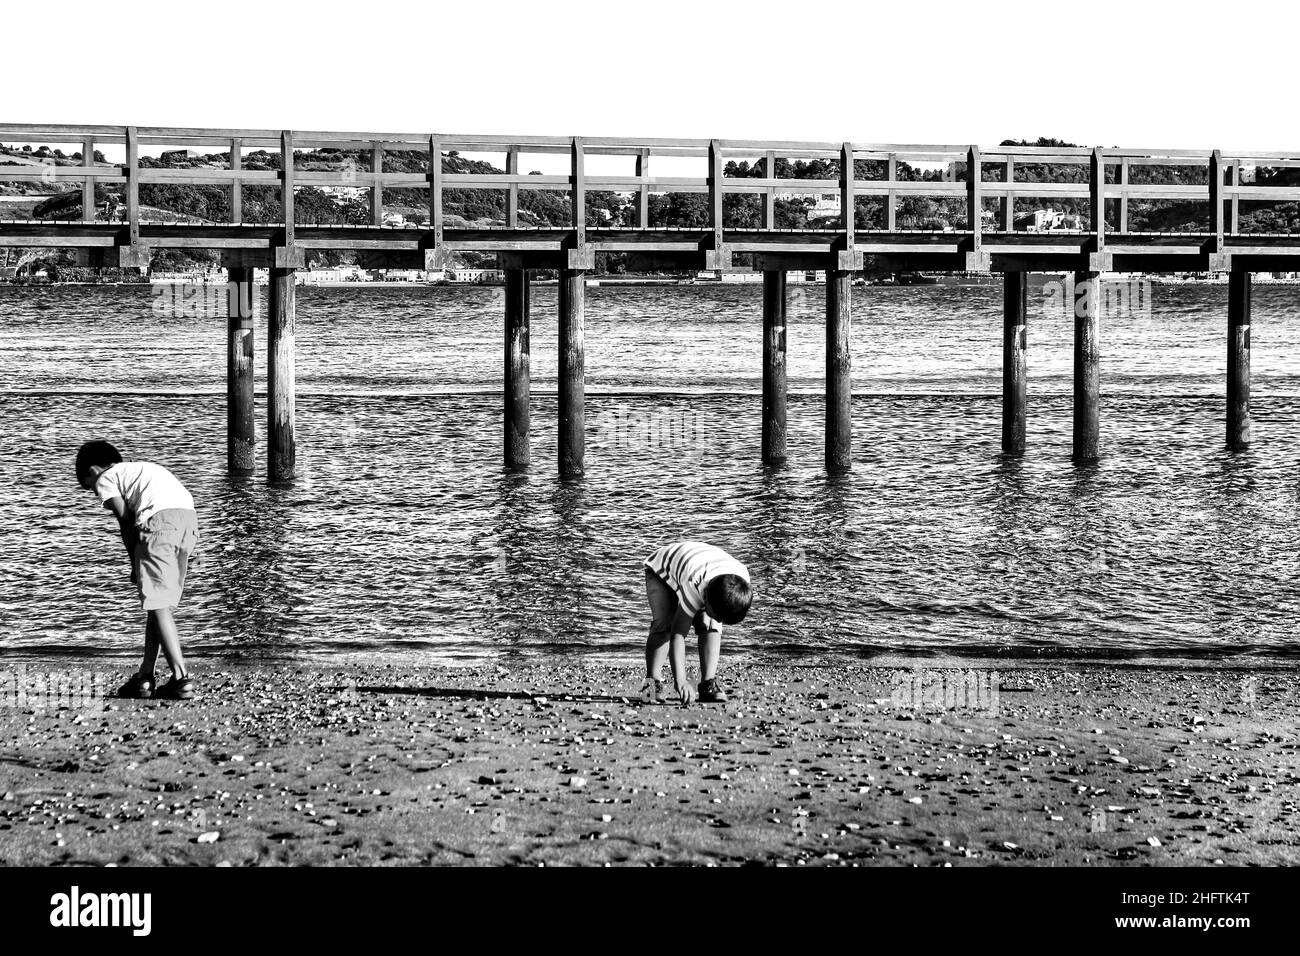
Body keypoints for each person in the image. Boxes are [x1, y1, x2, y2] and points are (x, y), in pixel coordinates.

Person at [75, 440, 198, 700]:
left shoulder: (105, 478)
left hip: (158, 524)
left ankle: (180, 677)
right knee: (159, 605)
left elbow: (125, 520)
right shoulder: (139, 470)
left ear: (94, 470)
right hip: (188, 520)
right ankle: (145, 676)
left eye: (89, 487)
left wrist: (133, 560)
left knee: (158, 606)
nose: (98, 497)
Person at [642, 541, 752, 706]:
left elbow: (719, 613)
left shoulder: (742, 581)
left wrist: (714, 616)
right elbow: (678, 635)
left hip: (701, 566)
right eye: (718, 614)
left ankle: (708, 684)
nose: (721, 620)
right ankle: (651, 684)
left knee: (710, 623)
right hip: (660, 569)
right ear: (705, 597)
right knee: (664, 623)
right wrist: (681, 681)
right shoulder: (695, 585)